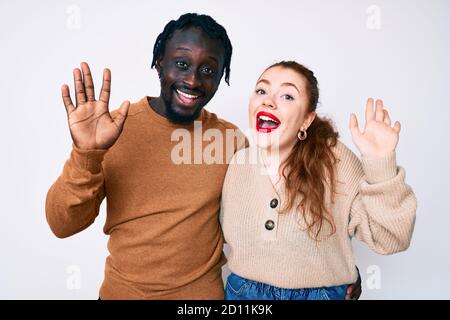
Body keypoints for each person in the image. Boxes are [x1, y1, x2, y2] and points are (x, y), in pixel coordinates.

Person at [46, 13, 361, 299]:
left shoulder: (231, 142)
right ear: (159, 61)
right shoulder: (112, 131)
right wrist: (86, 153)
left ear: (221, 77)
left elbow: (279, 212)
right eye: (182, 64)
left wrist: (336, 273)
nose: (194, 80)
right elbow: (62, 224)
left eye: (208, 69)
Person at [220, 61, 417, 300]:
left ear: (306, 120)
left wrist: (380, 164)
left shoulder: (334, 160)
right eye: (261, 90)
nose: (268, 100)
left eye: (287, 96)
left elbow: (391, 239)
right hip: (242, 295)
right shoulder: (236, 162)